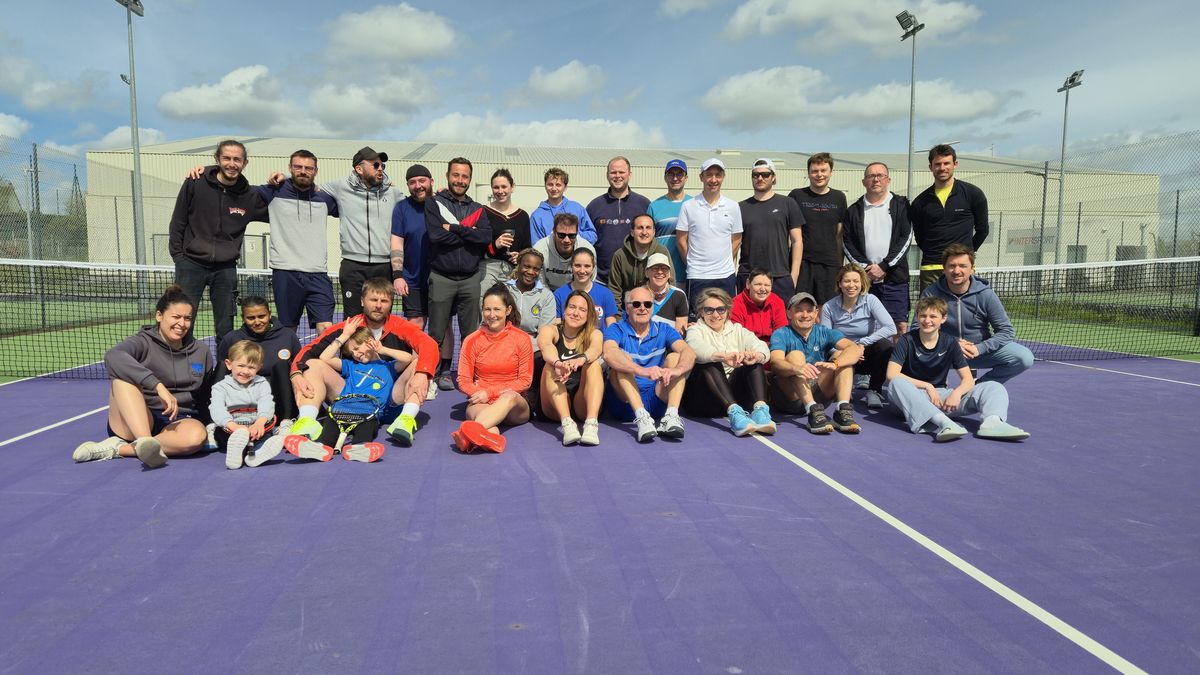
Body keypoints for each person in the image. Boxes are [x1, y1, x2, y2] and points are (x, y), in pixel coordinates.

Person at [73, 285, 213, 468]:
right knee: (122, 378)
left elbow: (205, 394)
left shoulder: (201, 351)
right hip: (136, 419)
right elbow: (112, 356)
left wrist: (211, 425)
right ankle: (145, 440)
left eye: (187, 318)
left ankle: (119, 449)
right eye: (176, 317)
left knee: (196, 437)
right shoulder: (142, 342)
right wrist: (157, 386)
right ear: (159, 316)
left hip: (179, 420)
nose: (182, 323)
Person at [289, 278, 437, 447]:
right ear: (362, 301)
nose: (378, 305)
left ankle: (405, 420)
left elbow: (429, 345)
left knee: (420, 362)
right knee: (313, 364)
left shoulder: (400, 326)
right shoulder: (348, 327)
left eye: (384, 301)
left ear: (391, 303)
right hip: (350, 396)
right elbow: (310, 351)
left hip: (390, 399)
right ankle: (307, 422)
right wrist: (295, 373)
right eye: (373, 300)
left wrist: (422, 373)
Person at [886, 296, 1029, 441]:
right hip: (907, 399)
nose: (927, 320)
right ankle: (945, 424)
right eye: (923, 316)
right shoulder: (906, 340)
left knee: (993, 387)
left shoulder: (950, 342)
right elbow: (892, 374)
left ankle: (992, 423)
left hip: (941, 399)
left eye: (933, 316)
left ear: (943, 318)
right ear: (917, 317)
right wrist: (927, 386)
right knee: (897, 383)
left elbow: (967, 379)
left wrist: (956, 393)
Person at [169, 139, 268, 341]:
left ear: (245, 163)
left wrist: (282, 179)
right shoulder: (195, 182)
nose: (232, 164)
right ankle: (180, 369)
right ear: (217, 159)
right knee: (183, 322)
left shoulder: (249, 195)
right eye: (227, 158)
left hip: (225, 268)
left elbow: (280, 205)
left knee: (226, 328)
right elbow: (178, 220)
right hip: (190, 264)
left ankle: (224, 371)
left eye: (237, 159)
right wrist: (179, 257)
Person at [283, 319, 414, 462]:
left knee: (367, 426)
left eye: (357, 348)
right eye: (352, 352)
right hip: (343, 409)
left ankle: (359, 447)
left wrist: (382, 350)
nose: (356, 354)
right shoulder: (350, 365)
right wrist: (344, 336)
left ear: (370, 341)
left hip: (370, 413)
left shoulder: (388, 367)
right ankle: (320, 447)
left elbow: (408, 358)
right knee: (331, 424)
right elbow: (324, 358)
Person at [919, 244, 1033, 384]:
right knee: (911, 355)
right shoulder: (931, 293)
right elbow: (916, 329)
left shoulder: (986, 294)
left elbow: (1006, 331)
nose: (957, 271)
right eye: (952, 266)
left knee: (1024, 357)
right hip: (943, 352)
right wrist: (950, 344)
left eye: (962, 266)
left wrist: (980, 348)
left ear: (972, 269)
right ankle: (939, 387)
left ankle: (979, 387)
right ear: (944, 269)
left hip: (978, 352)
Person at [425, 157, 493, 391]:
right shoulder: (434, 204)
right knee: (436, 332)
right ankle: (434, 375)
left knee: (471, 335)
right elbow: (436, 236)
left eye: (464, 176)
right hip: (441, 276)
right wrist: (468, 233)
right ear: (447, 176)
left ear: (469, 179)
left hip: (470, 279)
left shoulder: (477, 209)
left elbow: (484, 238)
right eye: (456, 175)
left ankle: (468, 376)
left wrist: (454, 228)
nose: (460, 180)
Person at [255, 149, 339, 334]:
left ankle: (322, 363)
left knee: (326, 328)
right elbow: (237, 187)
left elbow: (355, 200)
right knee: (288, 329)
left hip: (318, 273)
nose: (303, 171)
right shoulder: (272, 192)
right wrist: (208, 171)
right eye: (298, 167)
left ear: (316, 171)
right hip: (285, 272)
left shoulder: (325, 198)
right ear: (290, 168)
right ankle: (289, 363)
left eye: (308, 168)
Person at [602, 286, 695, 442]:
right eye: (637, 304)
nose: (642, 308)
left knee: (674, 358)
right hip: (624, 403)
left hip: (655, 400)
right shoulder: (616, 328)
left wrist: (677, 371)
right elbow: (609, 353)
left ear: (652, 307)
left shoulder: (663, 329)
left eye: (648, 304)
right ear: (627, 307)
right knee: (622, 359)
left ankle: (671, 416)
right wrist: (641, 371)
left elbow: (689, 352)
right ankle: (641, 417)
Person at [453, 284, 534, 454]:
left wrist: (490, 393)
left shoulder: (522, 339)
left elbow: (525, 381)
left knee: (509, 396)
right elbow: (463, 380)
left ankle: (464, 434)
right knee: (490, 428)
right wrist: (479, 394)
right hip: (481, 402)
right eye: (487, 309)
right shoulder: (472, 340)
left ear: (508, 310)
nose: (492, 315)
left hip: (514, 407)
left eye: (497, 309)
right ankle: (490, 438)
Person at [684, 289, 776, 437]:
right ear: (701, 312)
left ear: (727, 311)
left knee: (754, 362)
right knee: (708, 362)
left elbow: (762, 348)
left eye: (720, 309)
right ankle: (734, 413)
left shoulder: (738, 330)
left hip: (735, 395)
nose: (715, 315)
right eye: (709, 310)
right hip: (704, 400)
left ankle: (760, 411)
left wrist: (754, 355)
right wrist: (723, 357)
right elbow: (696, 348)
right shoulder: (695, 330)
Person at [769, 292, 863, 434]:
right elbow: (775, 362)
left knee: (841, 357)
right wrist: (797, 368)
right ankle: (811, 409)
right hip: (790, 398)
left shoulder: (824, 332)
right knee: (796, 355)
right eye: (799, 310)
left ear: (816, 313)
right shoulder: (781, 334)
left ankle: (842, 410)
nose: (805, 315)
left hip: (820, 396)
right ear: (789, 313)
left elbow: (854, 349)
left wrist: (836, 364)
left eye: (809, 310)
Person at [324, 146, 398, 319]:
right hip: (353, 266)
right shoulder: (340, 186)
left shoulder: (393, 192)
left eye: (382, 165)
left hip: (384, 266)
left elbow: (414, 206)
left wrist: (437, 194)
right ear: (359, 168)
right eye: (375, 165)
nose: (380, 168)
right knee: (353, 320)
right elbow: (310, 188)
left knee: (381, 318)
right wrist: (285, 178)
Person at [843, 162, 913, 335]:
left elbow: (906, 237)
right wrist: (867, 267)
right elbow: (846, 242)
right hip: (865, 281)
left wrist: (884, 266)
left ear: (888, 179)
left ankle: (896, 363)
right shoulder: (853, 211)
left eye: (880, 175)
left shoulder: (902, 206)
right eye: (870, 176)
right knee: (865, 328)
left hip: (895, 279)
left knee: (899, 327)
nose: (875, 179)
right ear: (863, 182)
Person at [910, 144, 989, 290]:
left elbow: (983, 230)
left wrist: (966, 254)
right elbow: (920, 237)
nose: (942, 168)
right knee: (931, 312)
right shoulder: (919, 202)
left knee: (963, 311)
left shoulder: (973, 194)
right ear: (930, 167)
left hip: (961, 268)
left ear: (955, 164)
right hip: (931, 268)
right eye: (937, 164)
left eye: (946, 163)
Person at [819, 264, 896, 410]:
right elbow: (826, 338)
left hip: (864, 352)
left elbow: (890, 327)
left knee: (886, 346)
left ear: (862, 284)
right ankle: (842, 387)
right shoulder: (829, 307)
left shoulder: (871, 300)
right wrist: (849, 351)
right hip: (841, 353)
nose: (851, 285)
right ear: (840, 284)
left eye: (856, 281)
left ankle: (874, 390)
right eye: (847, 281)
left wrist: (862, 344)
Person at [214, 296, 301, 423]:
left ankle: (286, 421)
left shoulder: (288, 336)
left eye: (261, 316)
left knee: (283, 365)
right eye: (251, 318)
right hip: (242, 395)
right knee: (222, 366)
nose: (257, 322)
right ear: (243, 318)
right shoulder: (231, 338)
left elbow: (299, 367)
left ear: (269, 314)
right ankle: (215, 422)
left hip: (278, 396)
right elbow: (225, 371)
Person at [537, 290, 605, 446]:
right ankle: (567, 424)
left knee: (593, 364)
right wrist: (558, 363)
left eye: (582, 310)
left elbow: (595, 349)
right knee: (549, 365)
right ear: (564, 309)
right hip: (554, 405)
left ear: (589, 315)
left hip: (582, 404)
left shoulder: (594, 333)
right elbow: (546, 346)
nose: (576, 313)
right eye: (572, 307)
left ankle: (591, 424)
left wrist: (582, 359)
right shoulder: (551, 330)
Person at [676, 158, 743, 309]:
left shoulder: (733, 206)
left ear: (723, 177)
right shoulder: (688, 206)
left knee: (725, 320)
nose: (713, 180)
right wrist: (694, 263)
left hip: (725, 276)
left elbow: (737, 239)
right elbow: (681, 240)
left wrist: (722, 260)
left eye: (718, 175)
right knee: (697, 320)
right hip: (697, 276)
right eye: (709, 175)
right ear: (701, 177)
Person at [208, 340, 285, 469]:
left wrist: (260, 422)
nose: (245, 371)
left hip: (256, 426)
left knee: (265, 436)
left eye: (251, 367)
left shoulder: (262, 383)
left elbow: (266, 403)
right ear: (229, 364)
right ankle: (241, 453)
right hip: (231, 427)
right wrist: (233, 426)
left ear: (259, 367)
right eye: (241, 365)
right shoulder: (220, 387)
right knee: (223, 435)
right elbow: (217, 409)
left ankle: (256, 454)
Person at [738, 158, 804, 302]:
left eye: (765, 174)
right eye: (755, 175)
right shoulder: (740, 207)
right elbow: (734, 244)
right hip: (748, 276)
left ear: (773, 177)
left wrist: (793, 275)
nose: (760, 178)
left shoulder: (788, 203)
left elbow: (797, 241)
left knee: (780, 323)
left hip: (780, 277)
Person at [788, 152, 848, 305]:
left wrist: (839, 266)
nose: (819, 175)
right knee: (801, 307)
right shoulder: (796, 196)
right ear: (808, 173)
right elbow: (789, 234)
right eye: (814, 171)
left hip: (830, 266)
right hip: (803, 264)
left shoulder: (839, 197)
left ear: (831, 172)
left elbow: (839, 235)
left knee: (826, 310)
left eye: (823, 170)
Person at [587, 156, 650, 283]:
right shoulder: (594, 206)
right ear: (607, 175)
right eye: (613, 172)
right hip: (602, 280)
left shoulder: (644, 204)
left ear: (629, 174)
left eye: (621, 172)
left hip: (637, 280)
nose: (617, 176)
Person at [389, 163, 435, 331]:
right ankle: (414, 359)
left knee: (442, 327)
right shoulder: (402, 208)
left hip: (440, 280)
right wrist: (398, 275)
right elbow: (396, 243)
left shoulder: (442, 204)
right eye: (412, 182)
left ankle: (441, 359)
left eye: (422, 180)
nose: (418, 186)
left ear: (431, 181)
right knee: (415, 326)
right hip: (412, 280)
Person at [480, 168, 532, 293]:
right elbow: (476, 247)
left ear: (512, 187)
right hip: (488, 267)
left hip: (512, 269)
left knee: (511, 305)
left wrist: (520, 257)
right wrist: (495, 245)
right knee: (484, 303)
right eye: (496, 187)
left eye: (504, 187)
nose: (500, 191)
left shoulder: (522, 216)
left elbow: (527, 247)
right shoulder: (483, 212)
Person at [608, 214, 672, 309]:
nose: (644, 232)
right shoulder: (620, 255)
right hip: (627, 311)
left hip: (655, 308)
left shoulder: (662, 251)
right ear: (632, 232)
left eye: (648, 228)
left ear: (654, 232)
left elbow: (671, 281)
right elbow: (614, 290)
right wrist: (618, 316)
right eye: (640, 228)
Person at [646, 158, 691, 286]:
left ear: (686, 178)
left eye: (679, 174)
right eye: (671, 174)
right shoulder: (654, 206)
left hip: (688, 274)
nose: (675, 178)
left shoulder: (694, 204)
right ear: (665, 178)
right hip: (661, 275)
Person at [554, 248, 619, 328]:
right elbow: (556, 327)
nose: (582, 271)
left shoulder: (605, 294)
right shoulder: (559, 294)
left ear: (593, 267)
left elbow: (611, 327)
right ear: (571, 266)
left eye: (587, 266)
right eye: (577, 266)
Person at [529, 167, 597, 244]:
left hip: (576, 255)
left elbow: (593, 236)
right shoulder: (537, 216)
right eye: (550, 184)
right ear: (545, 186)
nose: (554, 189)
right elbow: (536, 245)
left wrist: (573, 235)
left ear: (565, 187)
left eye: (558, 185)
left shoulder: (577, 209)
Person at [532, 212, 597, 291]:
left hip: (578, 291)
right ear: (554, 232)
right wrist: (552, 299)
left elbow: (589, 281)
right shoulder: (540, 249)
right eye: (561, 235)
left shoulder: (587, 250)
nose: (567, 240)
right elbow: (540, 283)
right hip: (548, 292)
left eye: (572, 236)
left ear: (577, 233)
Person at [505, 248, 557, 344]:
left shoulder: (546, 296)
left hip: (532, 347)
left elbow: (545, 334)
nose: (530, 272)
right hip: (503, 343)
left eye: (536, 269)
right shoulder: (503, 290)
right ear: (518, 265)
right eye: (527, 266)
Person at [731, 269, 787, 344]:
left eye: (767, 285)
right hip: (746, 348)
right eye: (758, 284)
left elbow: (781, 332)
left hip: (773, 346)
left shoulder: (777, 302)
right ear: (748, 284)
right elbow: (736, 336)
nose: (763, 289)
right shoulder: (736, 304)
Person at [643, 252, 689, 333]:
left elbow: (680, 332)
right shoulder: (638, 294)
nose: (660, 272)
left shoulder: (678, 295)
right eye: (655, 268)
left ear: (669, 274)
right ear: (646, 273)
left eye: (664, 268)